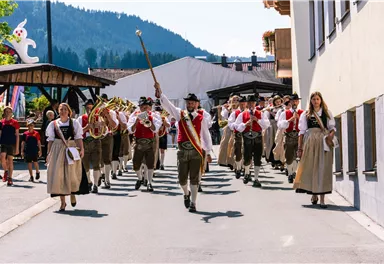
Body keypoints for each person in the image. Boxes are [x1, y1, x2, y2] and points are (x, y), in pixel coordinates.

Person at [157, 83, 212, 212]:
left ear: (197, 104)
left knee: (194, 178)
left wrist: (208, 152)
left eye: (193, 103)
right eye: (189, 103)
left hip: (196, 151)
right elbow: (168, 105)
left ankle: (193, 202)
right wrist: (160, 92)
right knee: (182, 179)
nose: (190, 105)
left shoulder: (201, 118)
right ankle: (186, 193)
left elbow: (205, 134)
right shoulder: (179, 114)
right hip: (182, 151)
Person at [293, 91, 336, 208]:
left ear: (321, 100)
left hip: (323, 142)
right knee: (311, 168)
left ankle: (322, 198)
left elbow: (332, 128)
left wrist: (330, 136)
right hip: (310, 142)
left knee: (322, 168)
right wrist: (300, 148)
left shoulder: (327, 113)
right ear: (311, 101)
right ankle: (314, 194)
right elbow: (301, 133)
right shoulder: (306, 114)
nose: (316, 101)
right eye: (313, 99)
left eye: (317, 99)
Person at [46, 103, 88, 212]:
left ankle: (72, 193)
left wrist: (81, 149)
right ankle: (63, 202)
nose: (63, 111)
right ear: (58, 111)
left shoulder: (74, 123)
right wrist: (48, 154)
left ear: (68, 111)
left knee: (71, 174)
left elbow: (79, 137)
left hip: (71, 149)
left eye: (65, 109)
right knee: (59, 176)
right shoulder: (53, 124)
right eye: (61, 109)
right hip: (57, 150)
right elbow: (50, 140)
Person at [234, 95, 270, 187]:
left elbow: (266, 125)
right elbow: (237, 127)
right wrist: (245, 124)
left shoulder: (260, 113)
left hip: (257, 136)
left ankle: (256, 178)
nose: (251, 105)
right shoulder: (242, 114)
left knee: (257, 157)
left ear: (255, 104)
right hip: (246, 137)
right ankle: (246, 172)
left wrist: (257, 120)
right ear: (247, 104)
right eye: (249, 103)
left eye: (252, 103)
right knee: (247, 156)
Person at [128, 97, 162, 192]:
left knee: (150, 164)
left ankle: (149, 183)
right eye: (142, 107)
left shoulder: (154, 116)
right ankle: (140, 178)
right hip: (138, 142)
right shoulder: (134, 115)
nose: (144, 109)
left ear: (149, 108)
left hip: (150, 143)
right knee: (136, 165)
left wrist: (149, 122)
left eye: (146, 107)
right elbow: (130, 130)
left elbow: (155, 129)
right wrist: (136, 122)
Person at [277, 93, 304, 183]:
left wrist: (299, 118)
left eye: (296, 101)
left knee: (297, 156)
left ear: (298, 102)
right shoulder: (285, 113)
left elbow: (305, 125)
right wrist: (290, 120)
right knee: (289, 156)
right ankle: (289, 173)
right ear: (290, 102)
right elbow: (280, 125)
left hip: (299, 136)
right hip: (288, 136)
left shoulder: (302, 112)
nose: (295, 102)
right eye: (293, 101)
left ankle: (294, 172)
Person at [77, 99, 102, 193]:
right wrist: (87, 127)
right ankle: (89, 181)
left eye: (91, 108)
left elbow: (105, 132)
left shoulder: (99, 118)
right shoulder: (80, 118)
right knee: (85, 166)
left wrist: (99, 127)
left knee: (96, 165)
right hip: (84, 143)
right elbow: (78, 133)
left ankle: (95, 185)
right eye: (87, 108)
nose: (89, 110)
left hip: (95, 141)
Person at [227, 96, 247, 178]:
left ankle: (246, 169)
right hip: (237, 134)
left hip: (248, 135)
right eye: (241, 104)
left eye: (244, 104)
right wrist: (237, 125)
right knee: (237, 151)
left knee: (247, 152)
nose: (243, 105)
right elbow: (230, 125)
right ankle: (238, 168)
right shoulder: (234, 113)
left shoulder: (249, 112)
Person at [0, 106, 20, 186]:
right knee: (2, 157)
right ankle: (6, 171)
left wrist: (17, 147)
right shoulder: (1, 122)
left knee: (10, 160)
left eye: (9, 111)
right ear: (4, 113)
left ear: (12, 113)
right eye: (6, 111)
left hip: (11, 143)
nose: (8, 113)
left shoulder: (15, 122)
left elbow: (17, 135)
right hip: (3, 142)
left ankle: (10, 178)